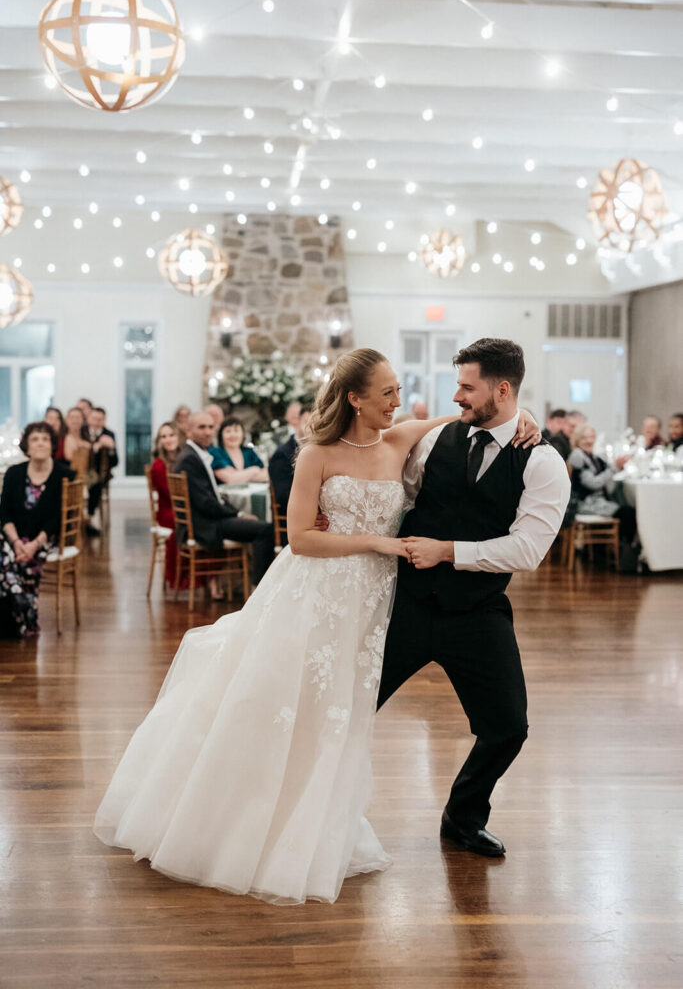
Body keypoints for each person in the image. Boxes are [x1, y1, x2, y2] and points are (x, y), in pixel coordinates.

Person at [94, 349, 541, 904]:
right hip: (332, 593)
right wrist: (380, 541)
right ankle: (243, 814)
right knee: (298, 706)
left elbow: (478, 428)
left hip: (393, 602)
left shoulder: (407, 439)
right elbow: (301, 536)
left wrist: (525, 417)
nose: (398, 402)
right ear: (355, 398)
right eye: (387, 393)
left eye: (399, 392)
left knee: (374, 717)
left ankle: (385, 820)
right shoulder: (319, 455)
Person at [377, 338, 571, 860]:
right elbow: (398, 497)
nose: (456, 395)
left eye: (467, 386)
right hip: (409, 605)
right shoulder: (436, 437)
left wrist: (448, 552)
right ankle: (316, 807)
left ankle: (463, 816)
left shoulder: (543, 463)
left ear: (502, 389)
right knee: (349, 705)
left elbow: (528, 549)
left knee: (507, 728)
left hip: (478, 611)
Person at [172, 411, 273, 587]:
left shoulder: (195, 454)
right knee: (265, 530)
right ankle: (259, 588)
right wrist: (237, 515)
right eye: (201, 427)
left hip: (207, 519)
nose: (207, 432)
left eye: (211, 427)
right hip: (204, 525)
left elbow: (214, 497)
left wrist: (237, 513)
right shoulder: (189, 459)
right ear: (189, 431)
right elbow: (206, 504)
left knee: (259, 525)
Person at [0, 422, 73, 636]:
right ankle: (16, 614)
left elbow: (57, 520)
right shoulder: (14, 473)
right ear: (26, 446)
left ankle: (20, 617)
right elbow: (4, 513)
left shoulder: (64, 475)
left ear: (52, 445)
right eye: (34, 439)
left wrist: (33, 544)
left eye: (44, 439)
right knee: (4, 553)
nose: (40, 443)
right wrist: (16, 542)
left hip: (46, 539)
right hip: (14, 537)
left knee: (14, 560)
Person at [567, 425, 637, 544]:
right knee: (629, 514)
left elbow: (607, 482)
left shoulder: (594, 457)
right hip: (586, 503)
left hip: (598, 501)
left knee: (626, 506)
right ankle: (620, 550)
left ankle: (614, 549)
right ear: (577, 440)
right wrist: (615, 468)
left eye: (591, 437)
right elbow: (593, 483)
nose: (589, 441)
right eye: (584, 438)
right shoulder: (578, 456)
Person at [149, 421, 187, 591]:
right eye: (163, 436)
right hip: (169, 511)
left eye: (171, 435)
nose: (168, 439)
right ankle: (181, 577)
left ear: (178, 436)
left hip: (185, 507)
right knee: (188, 521)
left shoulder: (186, 458)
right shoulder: (159, 465)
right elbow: (172, 495)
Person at [268, 405, 312, 544]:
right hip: (291, 523)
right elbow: (283, 496)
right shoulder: (282, 454)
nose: (312, 428)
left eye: (317, 424)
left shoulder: (323, 451)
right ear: (297, 423)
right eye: (307, 423)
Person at [84, 407, 118, 535]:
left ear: (104, 420)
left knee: (97, 484)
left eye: (100, 419)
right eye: (94, 418)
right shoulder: (82, 432)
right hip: (83, 472)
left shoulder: (109, 434)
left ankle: (89, 517)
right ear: (88, 419)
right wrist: (95, 447)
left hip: (101, 474)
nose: (97, 422)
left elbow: (115, 462)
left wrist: (111, 448)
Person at [211, 417, 267, 485]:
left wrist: (237, 475)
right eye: (228, 431)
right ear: (221, 435)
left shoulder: (248, 452)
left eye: (236, 430)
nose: (232, 435)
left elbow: (266, 475)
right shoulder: (216, 453)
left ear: (243, 434)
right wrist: (255, 470)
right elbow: (229, 479)